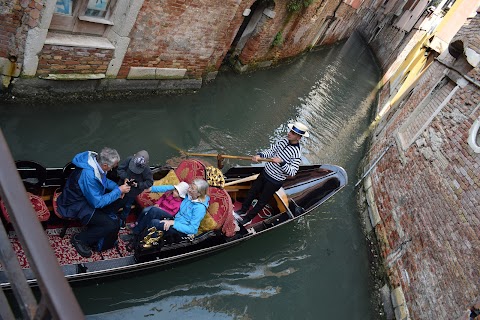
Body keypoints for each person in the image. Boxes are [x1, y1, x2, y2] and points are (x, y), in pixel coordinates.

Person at [57, 147, 131, 258]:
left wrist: (117, 188)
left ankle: (100, 220)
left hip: (85, 197)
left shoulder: (95, 161)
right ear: (105, 166)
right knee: (110, 225)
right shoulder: (89, 175)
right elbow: (97, 203)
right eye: (112, 166)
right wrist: (118, 190)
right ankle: (80, 239)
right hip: (74, 204)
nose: (113, 168)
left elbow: (103, 181)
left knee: (121, 198)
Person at [236, 121, 309, 225]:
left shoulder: (296, 153)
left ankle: (248, 218)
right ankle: (243, 210)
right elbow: (272, 150)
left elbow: (293, 172)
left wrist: (282, 162)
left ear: (299, 137)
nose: (289, 133)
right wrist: (260, 155)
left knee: (262, 201)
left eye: (292, 133)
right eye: (290, 131)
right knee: (252, 191)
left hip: (275, 181)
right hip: (266, 172)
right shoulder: (284, 140)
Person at [122, 179, 209, 244]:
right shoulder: (190, 194)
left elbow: (192, 229)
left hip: (182, 230)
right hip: (174, 219)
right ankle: (136, 233)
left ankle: (140, 242)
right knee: (153, 210)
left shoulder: (200, 208)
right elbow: (170, 187)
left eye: (192, 189)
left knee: (155, 223)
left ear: (198, 194)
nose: (189, 190)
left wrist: (173, 223)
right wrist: (151, 189)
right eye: (190, 187)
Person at [114, 150, 154, 228]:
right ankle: (112, 215)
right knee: (116, 202)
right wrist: (125, 177)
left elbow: (149, 183)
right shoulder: (129, 160)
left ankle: (123, 220)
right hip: (122, 187)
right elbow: (120, 170)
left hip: (133, 193)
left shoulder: (147, 171)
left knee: (127, 206)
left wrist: (138, 184)